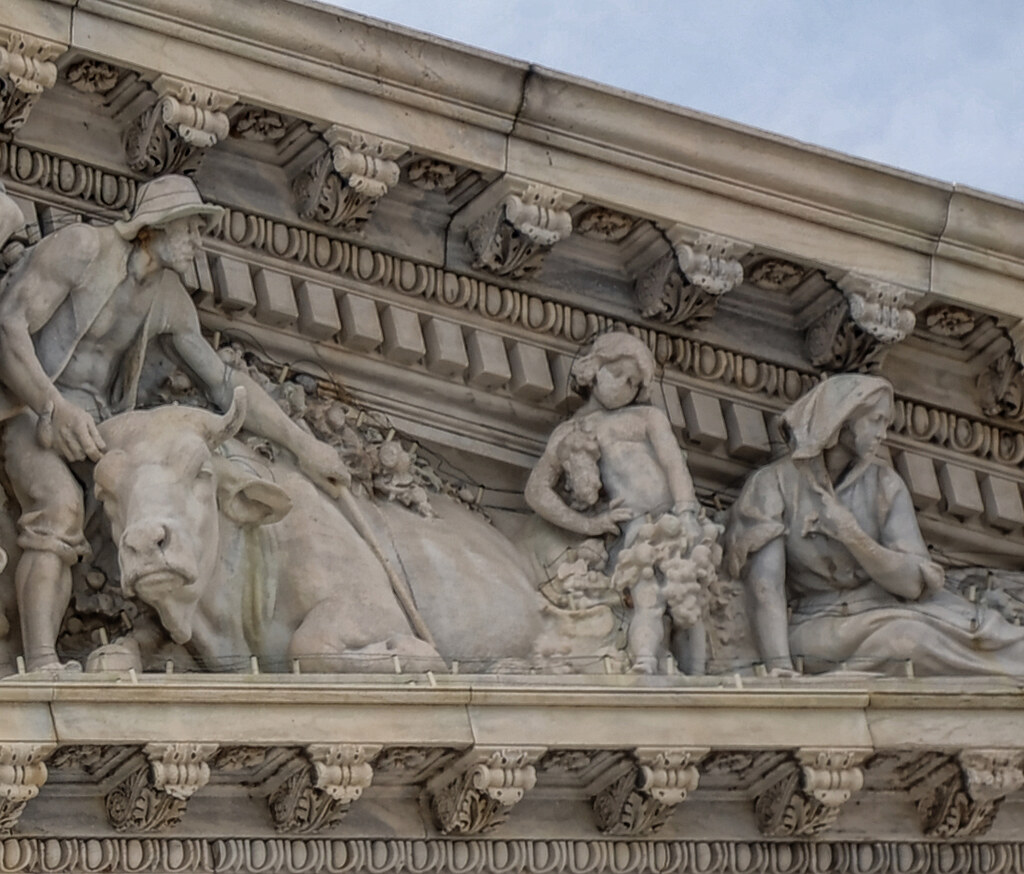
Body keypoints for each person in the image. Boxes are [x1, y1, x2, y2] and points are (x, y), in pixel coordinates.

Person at [0, 174, 350, 672]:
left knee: (166, 501)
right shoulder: (80, 249)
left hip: (100, 428)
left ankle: (161, 641)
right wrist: (53, 406)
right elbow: (7, 324)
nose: (196, 241)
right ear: (151, 228)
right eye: (188, 228)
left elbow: (223, 381)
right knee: (59, 509)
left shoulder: (166, 298)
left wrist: (304, 444)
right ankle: (40, 662)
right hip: (28, 410)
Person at [726, 373, 1024, 676]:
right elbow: (766, 586)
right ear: (841, 422)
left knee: (992, 632)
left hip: (892, 608)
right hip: (819, 624)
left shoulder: (885, 485)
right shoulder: (772, 485)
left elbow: (911, 584)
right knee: (909, 640)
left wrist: (852, 535)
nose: (883, 434)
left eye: (886, 423)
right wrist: (780, 668)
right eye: (876, 420)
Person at [525, 331, 714, 673]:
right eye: (618, 374)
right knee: (648, 598)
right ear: (593, 368)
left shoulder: (647, 418)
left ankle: (698, 677)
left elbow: (674, 464)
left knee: (691, 604)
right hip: (635, 529)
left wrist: (686, 511)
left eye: (633, 382)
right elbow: (536, 491)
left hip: (675, 521)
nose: (624, 386)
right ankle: (643, 661)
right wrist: (589, 525)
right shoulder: (571, 431)